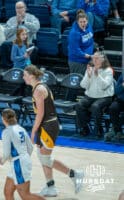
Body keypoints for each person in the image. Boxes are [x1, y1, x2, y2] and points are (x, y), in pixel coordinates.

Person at [23, 65, 84, 197]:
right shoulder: (40, 86)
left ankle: (74, 174)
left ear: (32, 76)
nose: (23, 77)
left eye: (25, 75)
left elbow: (40, 113)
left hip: (48, 126)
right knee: (42, 156)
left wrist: (33, 131)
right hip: (45, 125)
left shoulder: (38, 89)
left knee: (45, 158)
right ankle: (50, 187)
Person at [0, 108, 45, 200]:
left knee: (25, 195)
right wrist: (24, 157)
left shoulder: (7, 132)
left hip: (18, 164)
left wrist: (2, 160)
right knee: (8, 192)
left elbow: (7, 153)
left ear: (3, 119)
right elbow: (30, 147)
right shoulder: (21, 129)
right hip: (21, 162)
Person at [76, 51, 114, 137]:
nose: (94, 60)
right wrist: (88, 76)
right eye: (93, 58)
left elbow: (104, 86)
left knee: (95, 106)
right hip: (90, 96)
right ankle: (85, 127)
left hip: (105, 97)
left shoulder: (108, 70)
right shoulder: (90, 69)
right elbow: (83, 85)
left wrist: (97, 75)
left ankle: (98, 128)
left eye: (97, 58)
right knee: (79, 105)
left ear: (103, 59)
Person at [0, 1, 40, 69]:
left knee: (34, 49)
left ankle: (27, 68)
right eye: (17, 8)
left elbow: (36, 28)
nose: (19, 10)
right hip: (13, 43)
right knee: (4, 45)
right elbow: (6, 33)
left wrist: (24, 22)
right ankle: (8, 68)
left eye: (21, 7)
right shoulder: (11, 20)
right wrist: (16, 25)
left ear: (25, 8)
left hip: (26, 43)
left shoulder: (31, 18)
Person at [67, 9, 94, 101]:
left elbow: (90, 39)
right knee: (74, 83)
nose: (83, 24)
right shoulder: (74, 33)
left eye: (85, 21)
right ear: (77, 22)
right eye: (81, 22)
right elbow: (75, 50)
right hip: (77, 61)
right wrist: (87, 55)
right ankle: (68, 103)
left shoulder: (89, 26)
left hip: (88, 59)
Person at [104, 74, 124, 142]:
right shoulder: (122, 76)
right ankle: (118, 131)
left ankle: (115, 130)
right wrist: (122, 85)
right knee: (113, 107)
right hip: (121, 100)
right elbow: (116, 91)